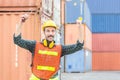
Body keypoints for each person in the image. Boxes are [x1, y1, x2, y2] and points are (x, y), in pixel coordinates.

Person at [13, 14, 84, 80]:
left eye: (53, 31)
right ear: (44, 32)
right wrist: (21, 22)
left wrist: (80, 28)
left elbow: (79, 46)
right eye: (48, 31)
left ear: (55, 32)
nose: (50, 33)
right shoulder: (34, 46)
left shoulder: (60, 49)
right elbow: (17, 40)